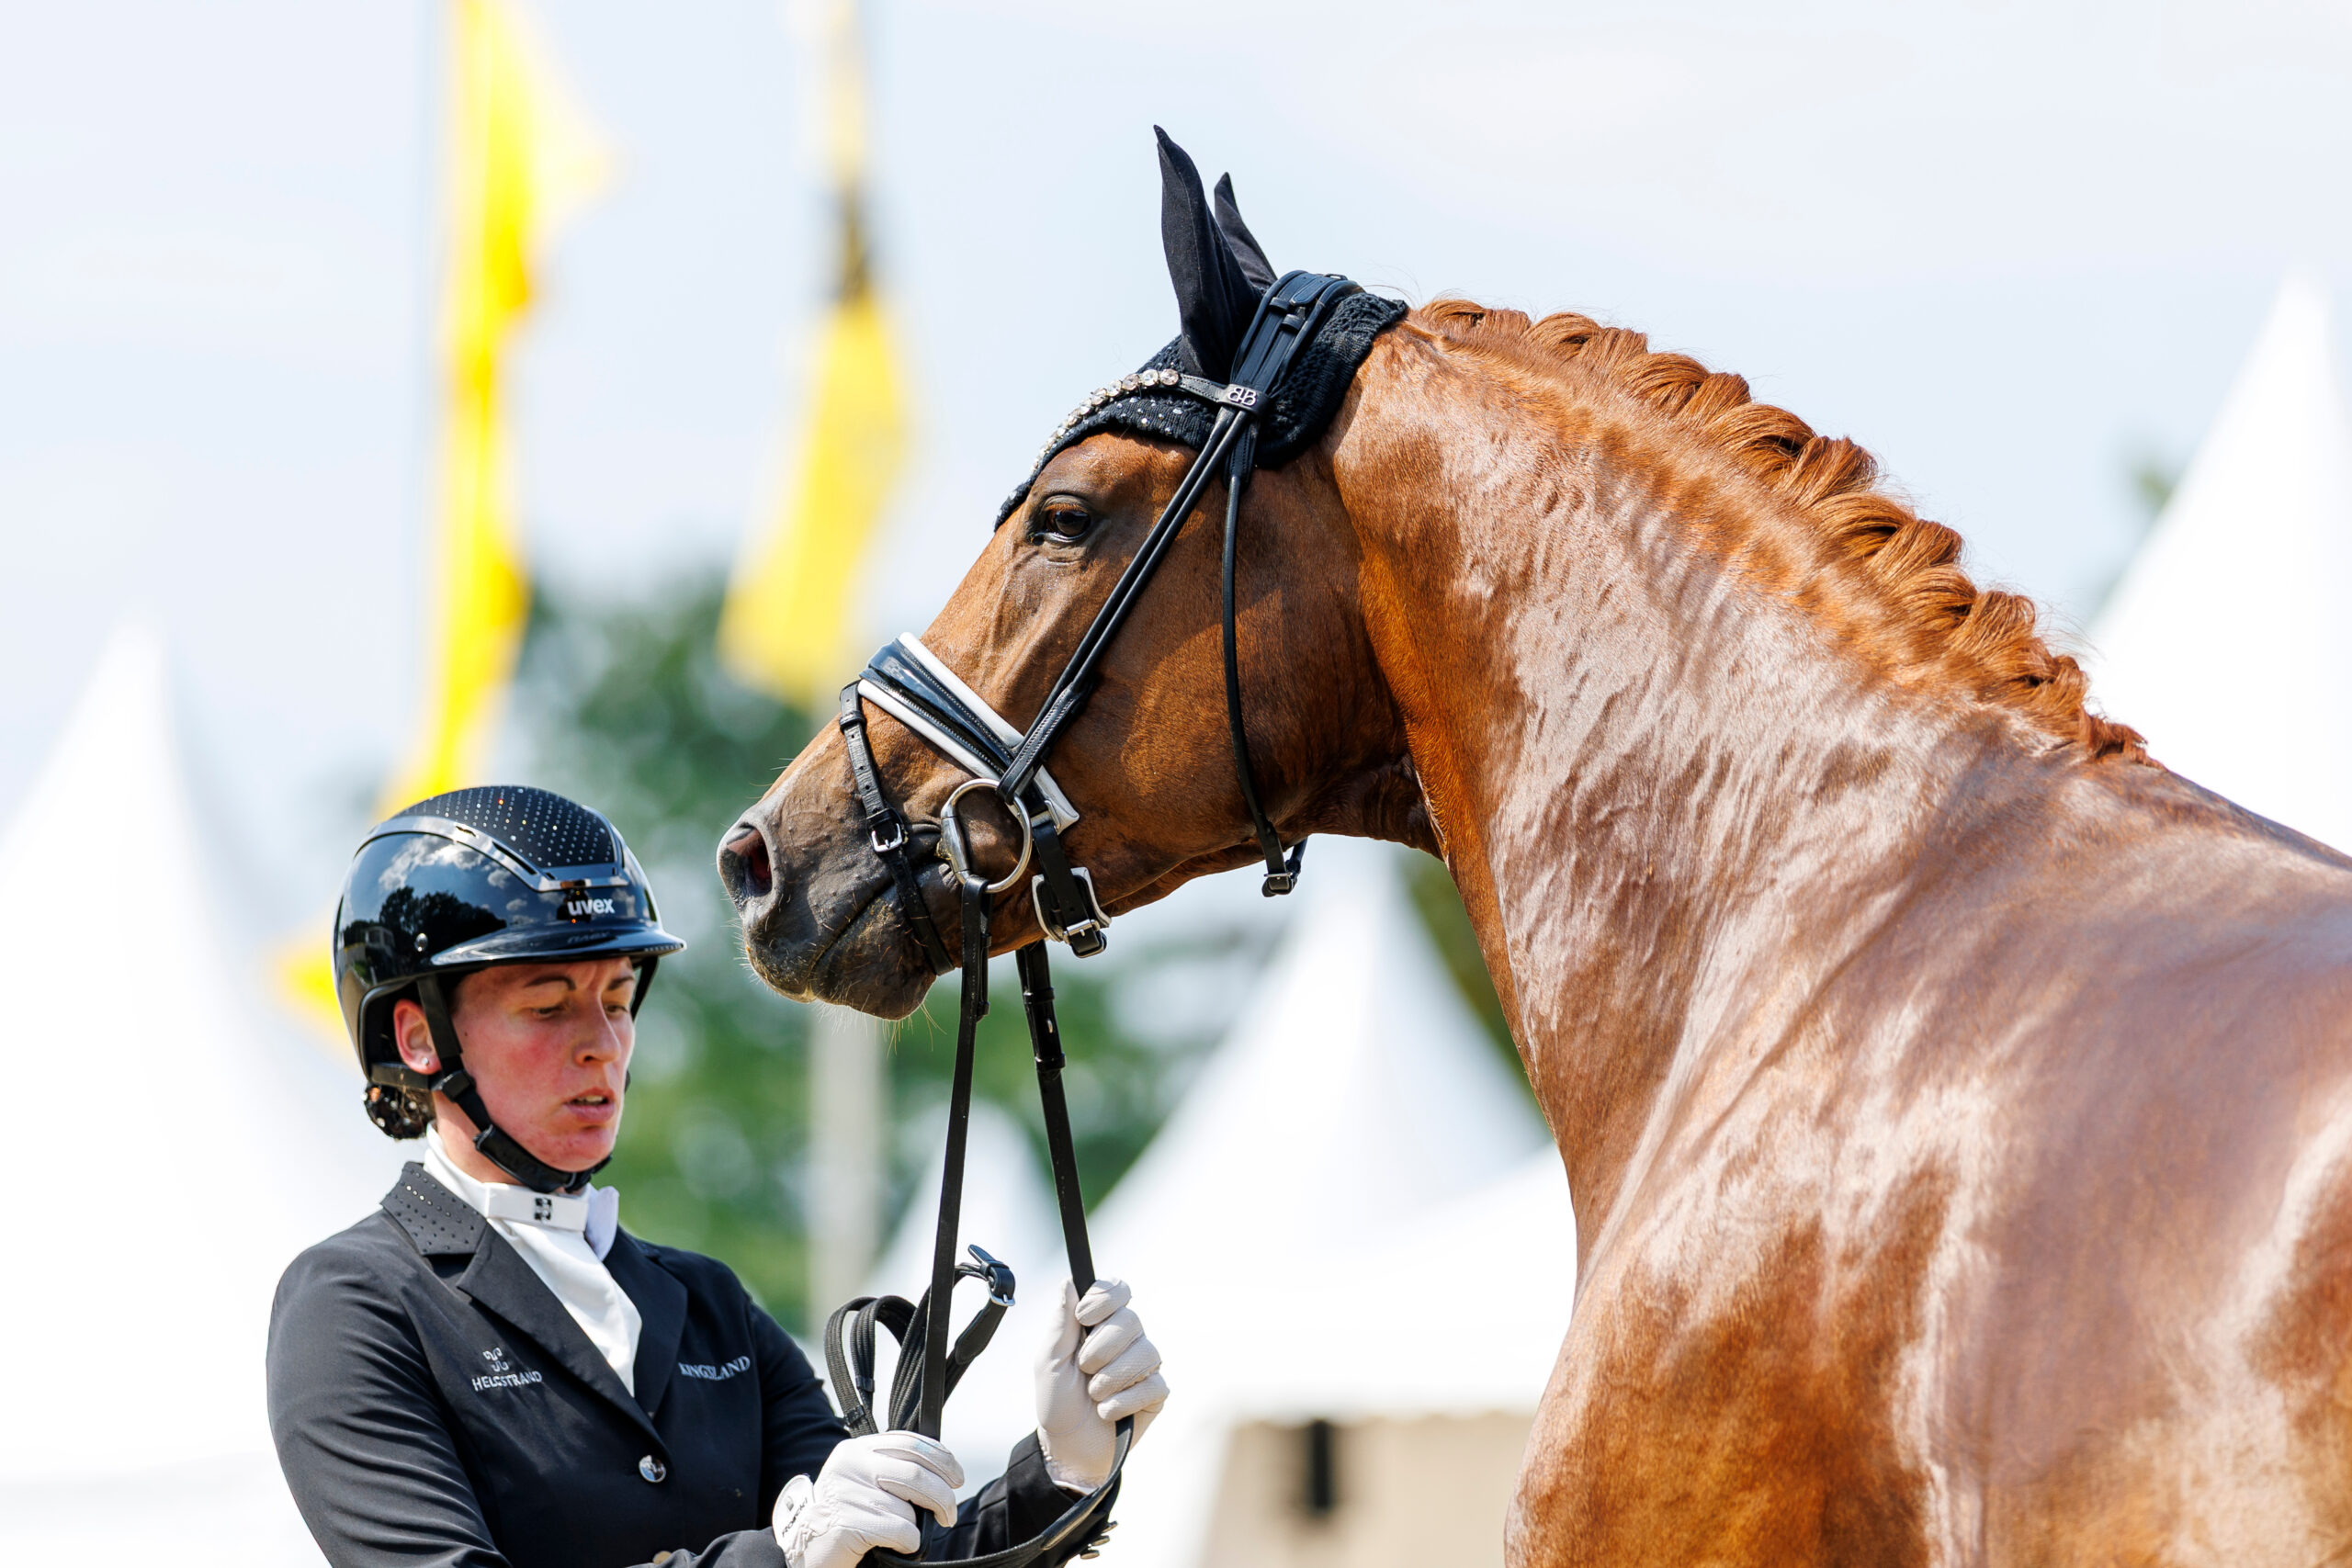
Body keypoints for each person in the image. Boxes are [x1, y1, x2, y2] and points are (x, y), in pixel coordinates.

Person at [269, 785, 1168, 1568]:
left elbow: (894, 1561)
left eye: (618, 999)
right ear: (417, 1038)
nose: (602, 1044)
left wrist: (1060, 1473)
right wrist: (781, 1557)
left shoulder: (706, 1303)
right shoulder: (354, 1303)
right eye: (547, 1005)